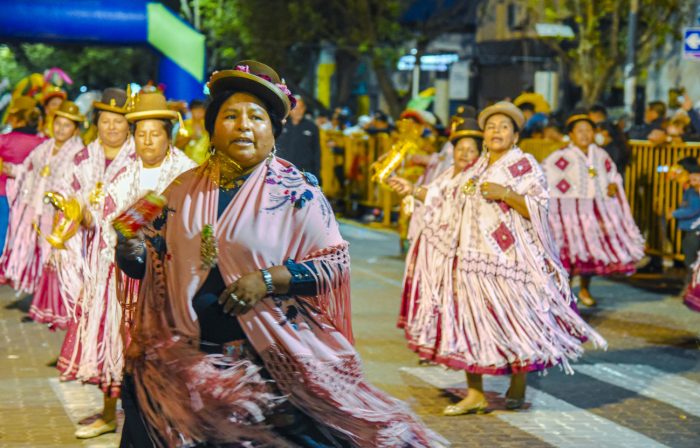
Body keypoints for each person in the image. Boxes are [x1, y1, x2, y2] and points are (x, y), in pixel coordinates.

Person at [117, 61, 443, 447]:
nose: (243, 125)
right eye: (231, 116)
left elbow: (334, 263)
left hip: (268, 366)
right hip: (188, 365)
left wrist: (268, 280)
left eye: (256, 117)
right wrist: (129, 248)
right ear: (212, 127)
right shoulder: (182, 189)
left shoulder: (296, 192)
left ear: (273, 131)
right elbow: (148, 265)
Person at [426, 101, 606, 416]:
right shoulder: (475, 168)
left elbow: (541, 205)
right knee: (473, 323)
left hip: (510, 263)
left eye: (504, 127)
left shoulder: (524, 165)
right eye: (491, 127)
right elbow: (449, 198)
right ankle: (475, 393)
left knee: (514, 324)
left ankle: (518, 384)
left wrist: (507, 194)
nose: (497, 132)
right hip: (470, 261)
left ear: (515, 136)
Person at [56, 87, 137, 439]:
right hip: (95, 263)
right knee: (103, 333)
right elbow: (70, 201)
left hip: (133, 264)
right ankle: (107, 412)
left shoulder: (141, 160)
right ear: (97, 122)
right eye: (106, 121)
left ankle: (137, 414)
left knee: (131, 337)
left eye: (119, 122)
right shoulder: (83, 160)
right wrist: (78, 215)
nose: (112, 128)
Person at [387, 117, 483, 358]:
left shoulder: (477, 179)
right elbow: (433, 195)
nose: (465, 154)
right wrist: (411, 189)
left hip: (460, 254)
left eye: (471, 150)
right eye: (460, 149)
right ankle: (440, 344)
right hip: (435, 252)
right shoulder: (448, 174)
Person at [542, 111, 644, 306]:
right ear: (570, 134)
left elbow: (612, 174)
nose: (585, 134)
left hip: (594, 211)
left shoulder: (600, 154)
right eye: (579, 130)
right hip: (568, 214)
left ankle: (585, 289)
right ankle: (565, 291)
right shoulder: (561, 155)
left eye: (588, 130)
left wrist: (614, 184)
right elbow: (544, 175)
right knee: (569, 254)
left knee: (589, 254)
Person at [0, 101, 84, 309]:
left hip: (60, 216)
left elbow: (79, 184)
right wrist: (8, 168)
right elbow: (27, 171)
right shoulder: (44, 147)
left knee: (56, 258)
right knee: (41, 255)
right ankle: (44, 299)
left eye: (67, 125)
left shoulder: (79, 153)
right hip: (37, 210)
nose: (61, 129)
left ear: (75, 129)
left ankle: (61, 302)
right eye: (58, 124)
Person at [0, 96, 46, 254]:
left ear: (14, 118)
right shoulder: (45, 143)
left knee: (3, 233)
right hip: (31, 196)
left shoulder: (4, 140)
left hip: (3, 194)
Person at [276, 94, 322, 181]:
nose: (298, 111)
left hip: (304, 174)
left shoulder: (312, 127)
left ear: (304, 109)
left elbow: (317, 153)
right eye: (295, 108)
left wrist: (317, 176)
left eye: (300, 108)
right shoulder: (281, 125)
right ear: (290, 110)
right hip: (282, 173)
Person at [175, 98, 210, 165]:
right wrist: (190, 138)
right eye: (197, 110)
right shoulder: (184, 125)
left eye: (202, 110)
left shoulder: (208, 125)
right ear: (191, 111)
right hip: (188, 165)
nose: (199, 113)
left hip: (205, 165)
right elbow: (177, 146)